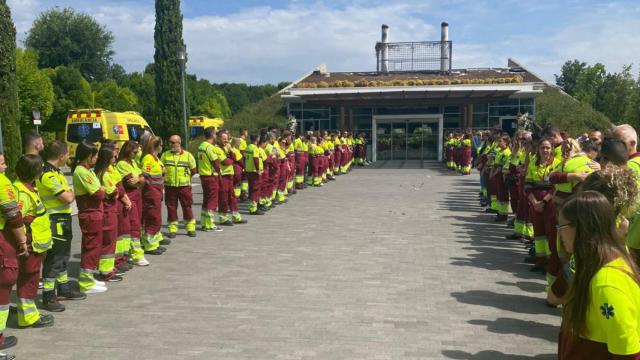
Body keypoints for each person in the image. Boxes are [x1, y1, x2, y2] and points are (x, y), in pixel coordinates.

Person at [558, 191, 640, 359]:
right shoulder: (592, 265)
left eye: (562, 226)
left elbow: (627, 352)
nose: (559, 233)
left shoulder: (606, 283)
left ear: (582, 227)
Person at [37, 141, 85, 312]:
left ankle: (63, 288)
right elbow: (68, 197)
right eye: (67, 154)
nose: (68, 157)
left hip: (62, 219)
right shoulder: (47, 175)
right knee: (54, 258)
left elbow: (68, 195)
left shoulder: (56, 172)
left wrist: (69, 194)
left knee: (64, 255)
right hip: (54, 220)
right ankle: (48, 295)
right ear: (61, 156)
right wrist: (69, 194)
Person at [13, 155, 55, 328]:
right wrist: (23, 242)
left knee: (29, 277)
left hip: (34, 242)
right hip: (30, 243)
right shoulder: (22, 192)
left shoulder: (26, 188)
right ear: (35, 171)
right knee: (29, 279)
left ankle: (27, 313)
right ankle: (28, 317)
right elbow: (17, 219)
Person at [0, 152, 27, 354]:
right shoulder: (2, 183)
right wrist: (22, 241)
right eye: (1, 163)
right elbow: (13, 215)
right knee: (4, 284)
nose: (5, 166)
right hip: (2, 238)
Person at [72, 141, 107, 294]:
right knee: (91, 247)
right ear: (88, 156)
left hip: (95, 213)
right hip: (90, 213)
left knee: (95, 247)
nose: (96, 158)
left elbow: (99, 190)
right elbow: (98, 193)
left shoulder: (88, 170)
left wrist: (101, 189)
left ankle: (90, 277)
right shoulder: (81, 171)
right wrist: (102, 189)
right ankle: (85, 282)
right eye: (95, 155)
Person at [525, 138, 561, 273]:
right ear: (538, 149)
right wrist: (534, 202)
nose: (545, 150)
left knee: (550, 234)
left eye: (548, 148)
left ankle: (550, 263)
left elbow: (557, 187)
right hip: (535, 201)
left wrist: (544, 202)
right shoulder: (533, 164)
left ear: (552, 149)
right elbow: (527, 185)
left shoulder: (557, 164)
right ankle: (540, 261)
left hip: (550, 202)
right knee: (538, 233)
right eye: (542, 148)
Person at [94, 143, 128, 282]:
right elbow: (114, 193)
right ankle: (105, 272)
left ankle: (108, 268)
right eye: (113, 154)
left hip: (110, 210)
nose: (116, 156)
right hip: (108, 211)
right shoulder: (105, 174)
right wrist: (116, 192)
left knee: (111, 240)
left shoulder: (106, 171)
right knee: (108, 241)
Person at [116, 141, 149, 267]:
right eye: (134, 152)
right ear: (128, 151)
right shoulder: (122, 164)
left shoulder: (133, 163)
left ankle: (132, 252)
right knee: (133, 226)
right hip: (130, 197)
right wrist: (140, 180)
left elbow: (142, 179)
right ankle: (137, 255)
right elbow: (131, 183)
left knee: (137, 225)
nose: (136, 155)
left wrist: (140, 179)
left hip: (137, 196)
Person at [161, 135, 197, 238]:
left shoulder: (188, 155)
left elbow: (194, 170)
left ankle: (190, 228)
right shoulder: (165, 155)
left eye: (173, 142)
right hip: (170, 186)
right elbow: (161, 169)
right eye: (169, 142)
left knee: (187, 207)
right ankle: (172, 229)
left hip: (184, 187)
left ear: (179, 143)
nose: (170, 144)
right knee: (171, 208)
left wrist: (186, 177)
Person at [140, 136, 166, 255]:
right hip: (151, 192)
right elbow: (144, 176)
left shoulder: (156, 158)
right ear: (156, 146)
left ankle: (154, 243)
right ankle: (149, 245)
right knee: (153, 218)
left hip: (157, 191)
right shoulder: (148, 158)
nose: (162, 147)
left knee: (156, 218)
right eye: (161, 145)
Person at [197, 127, 222, 232]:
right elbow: (215, 161)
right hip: (210, 176)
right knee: (212, 200)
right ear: (212, 135)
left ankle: (203, 222)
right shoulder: (209, 147)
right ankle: (210, 224)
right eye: (215, 134)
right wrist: (219, 171)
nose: (216, 136)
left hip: (203, 175)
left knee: (206, 200)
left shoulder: (201, 146)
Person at [245, 134, 264, 215]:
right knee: (255, 190)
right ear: (257, 139)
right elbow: (255, 159)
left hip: (248, 170)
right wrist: (258, 169)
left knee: (251, 189)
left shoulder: (248, 147)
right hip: (254, 171)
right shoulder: (255, 148)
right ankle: (253, 209)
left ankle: (251, 206)